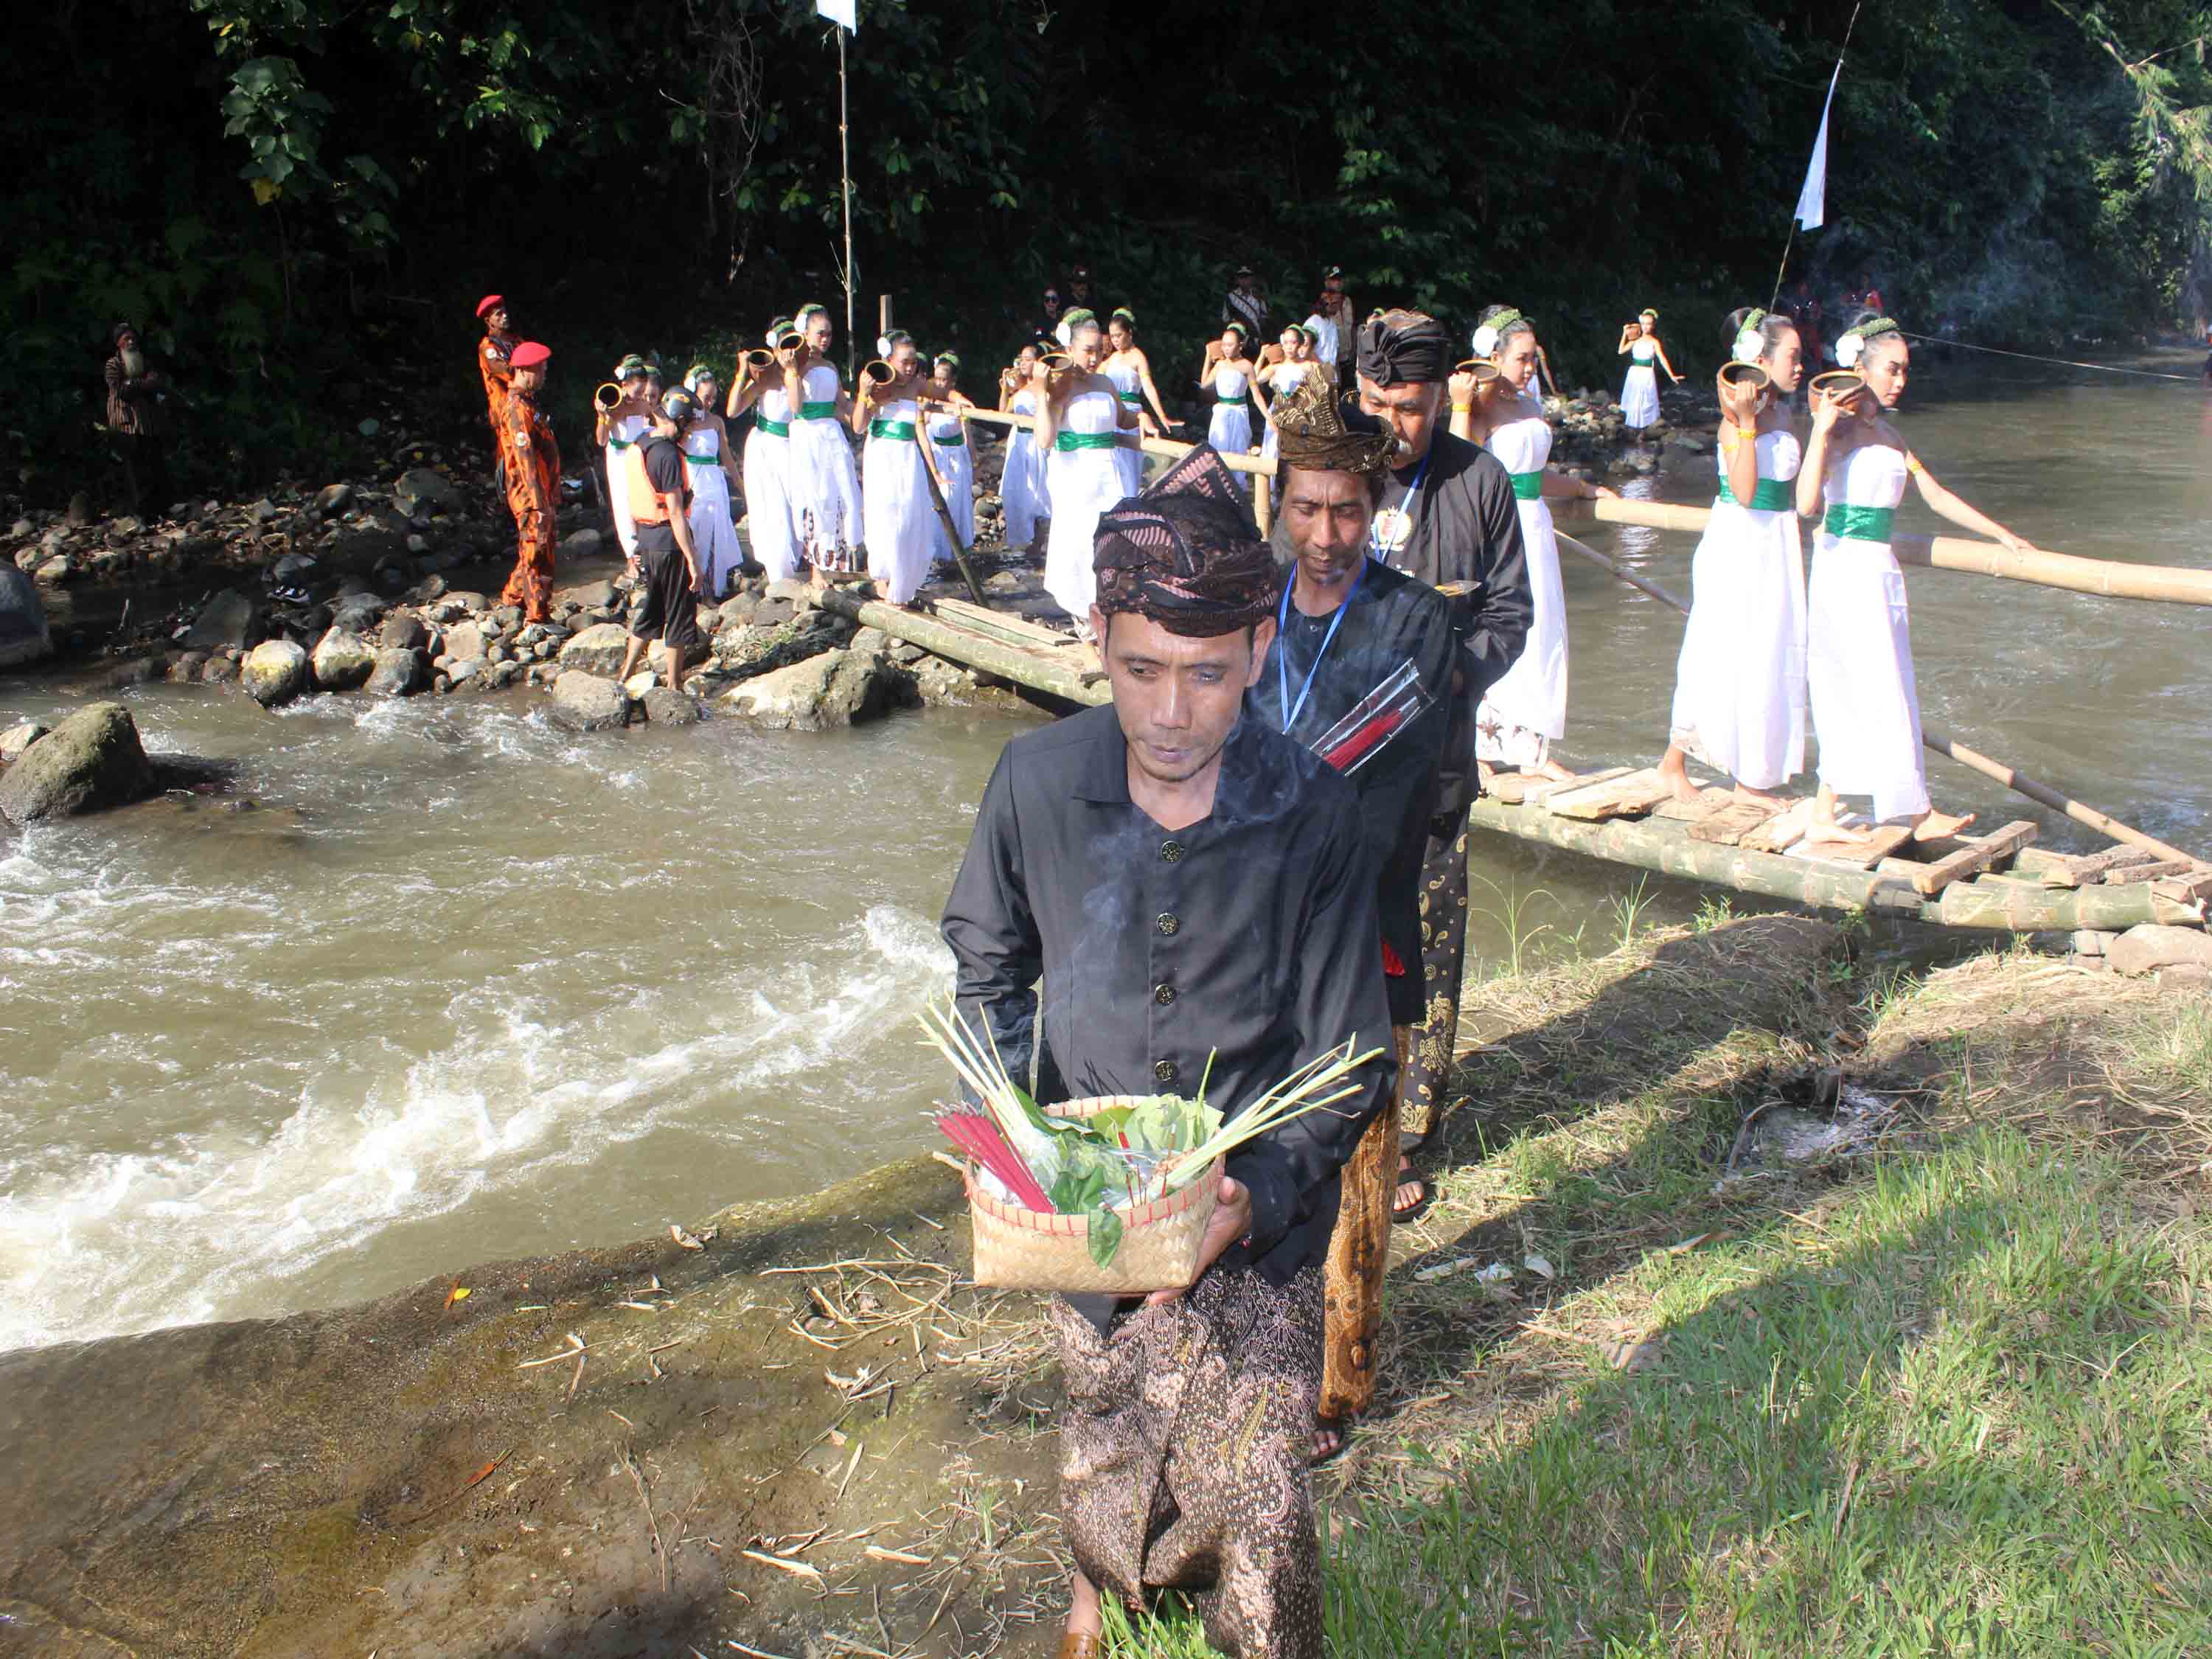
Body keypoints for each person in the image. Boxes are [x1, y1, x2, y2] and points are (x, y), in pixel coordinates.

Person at [941, 442, 1397, 1659]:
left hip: (1253, 1211)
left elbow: (1351, 1053)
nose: (1174, 713)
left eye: (1207, 675)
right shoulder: (1035, 782)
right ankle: (1097, 1601)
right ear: (1097, 636)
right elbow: (986, 961)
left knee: (1263, 1501)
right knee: (1102, 1437)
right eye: (1142, 672)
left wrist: (1260, 1192)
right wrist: (1017, 1133)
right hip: (1092, 1210)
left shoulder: (1317, 815)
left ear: (1259, 646)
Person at [1253, 371, 1455, 1461]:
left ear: (1376, 507)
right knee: (1258, 1167)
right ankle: (1255, 1362)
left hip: (1356, 941)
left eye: (1345, 508)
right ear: (1278, 503)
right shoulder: (1249, 618)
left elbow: (1386, 807)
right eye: (1304, 507)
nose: (1325, 533)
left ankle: (1342, 1383)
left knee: (1357, 1176)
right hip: (1250, 943)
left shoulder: (1416, 627)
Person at [1354, 308, 1534, 1207]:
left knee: (1424, 946)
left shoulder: (1479, 484)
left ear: (1440, 402)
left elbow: (1510, 615)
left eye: (1414, 408)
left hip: (1435, 765)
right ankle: (1330, 1124)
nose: (1395, 425)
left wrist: (1452, 673)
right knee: (1331, 946)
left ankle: (1408, 1134)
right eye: (1379, 403)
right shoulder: (1328, 474)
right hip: (1330, 771)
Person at [1799, 315, 2034, 838]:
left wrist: (1999, 533)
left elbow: (1936, 496)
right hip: (1844, 567)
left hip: (1878, 570)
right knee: (1861, 684)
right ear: (1859, 368)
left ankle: (1833, 813)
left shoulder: (1892, 435)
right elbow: (1807, 503)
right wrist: (1818, 433)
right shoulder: (1838, 432)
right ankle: (1912, 813)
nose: (1900, 380)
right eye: (1892, 369)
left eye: (1905, 371)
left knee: (1889, 683)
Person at [1453, 307, 1614, 782]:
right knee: (1496, 621)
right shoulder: (1479, 407)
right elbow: (1459, 465)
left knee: (1542, 627)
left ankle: (1532, 745)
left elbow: (1536, 477)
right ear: (1494, 356)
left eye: (1531, 358)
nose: (1529, 368)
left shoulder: (1531, 405)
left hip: (1535, 524)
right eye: (1521, 359)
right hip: (1495, 526)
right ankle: (1481, 745)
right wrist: (1463, 405)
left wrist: (1584, 489)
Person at [1657, 307, 1809, 804]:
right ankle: (1692, 765)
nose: (1801, 365)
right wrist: (1745, 420)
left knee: (1769, 650)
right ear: (1759, 358)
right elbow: (1745, 492)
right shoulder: (1732, 419)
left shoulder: (1786, 413)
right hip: (1740, 542)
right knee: (1725, 648)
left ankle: (1747, 772)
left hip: (1777, 541)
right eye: (1794, 356)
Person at [1036, 314, 1137, 634]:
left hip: (1109, 474)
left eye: (1099, 351)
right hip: (1075, 477)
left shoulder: (1106, 383)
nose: (1094, 358)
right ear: (1069, 348)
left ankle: (1111, 613)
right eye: (1087, 351)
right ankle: (1085, 622)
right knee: (1080, 545)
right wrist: (1042, 392)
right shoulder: (1061, 385)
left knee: (1113, 543)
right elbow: (1045, 439)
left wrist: (1146, 420)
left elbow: (1123, 418)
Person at [616, 388, 706, 695]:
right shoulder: (668, 454)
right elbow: (677, 513)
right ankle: (675, 686)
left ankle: (624, 675)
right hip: (669, 542)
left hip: (646, 539)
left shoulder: (641, 444)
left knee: (651, 611)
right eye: (690, 424)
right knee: (679, 614)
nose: (691, 431)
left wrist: (633, 545)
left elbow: (632, 499)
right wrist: (693, 561)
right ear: (679, 420)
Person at [855, 330, 935, 608]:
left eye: (913, 362)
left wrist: (957, 399)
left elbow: (942, 391)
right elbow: (857, 425)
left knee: (909, 516)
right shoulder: (877, 385)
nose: (910, 368)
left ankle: (903, 581)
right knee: (885, 516)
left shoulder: (916, 386)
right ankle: (885, 578)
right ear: (889, 359)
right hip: (882, 455)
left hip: (907, 456)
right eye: (904, 362)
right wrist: (864, 395)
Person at [787, 302, 863, 587]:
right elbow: (795, 405)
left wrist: (867, 405)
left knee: (841, 495)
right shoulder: (797, 366)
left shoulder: (831, 366)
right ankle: (814, 566)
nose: (825, 339)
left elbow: (843, 404)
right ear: (805, 334)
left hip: (831, 434)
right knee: (813, 498)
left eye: (829, 334)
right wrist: (793, 371)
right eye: (820, 333)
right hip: (807, 434)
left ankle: (835, 560)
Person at [728, 318, 803, 584]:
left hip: (793, 446)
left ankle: (798, 561)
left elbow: (798, 407)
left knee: (796, 504)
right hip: (765, 446)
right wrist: (742, 373)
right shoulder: (764, 378)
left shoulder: (800, 374)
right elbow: (733, 410)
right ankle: (778, 572)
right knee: (772, 508)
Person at [495, 340, 561, 625]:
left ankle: (512, 598)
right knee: (538, 553)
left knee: (533, 548)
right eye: (541, 369)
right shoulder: (516, 410)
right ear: (524, 370)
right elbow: (525, 461)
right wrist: (539, 503)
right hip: (530, 495)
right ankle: (537, 617)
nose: (545, 374)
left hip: (542, 490)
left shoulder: (528, 403)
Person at [678, 364, 746, 600]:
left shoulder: (717, 421)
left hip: (714, 480)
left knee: (716, 532)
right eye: (706, 397)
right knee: (694, 532)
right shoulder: (681, 421)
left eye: (713, 398)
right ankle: (690, 588)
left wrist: (739, 483)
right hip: (692, 479)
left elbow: (726, 455)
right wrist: (686, 428)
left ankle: (711, 589)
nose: (709, 403)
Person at [1102, 308, 1179, 499]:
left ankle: (1130, 504)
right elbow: (1093, 377)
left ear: (1129, 333)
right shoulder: (1111, 358)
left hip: (1132, 413)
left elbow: (1149, 387)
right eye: (1112, 336)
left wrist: (1162, 416)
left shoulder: (1138, 357)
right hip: (1113, 414)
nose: (1116, 340)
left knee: (1129, 465)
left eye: (1119, 335)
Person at [103, 322, 175, 518]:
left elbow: (156, 383)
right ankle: (140, 511)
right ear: (119, 343)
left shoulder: (144, 360)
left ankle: (159, 508)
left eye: (132, 337)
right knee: (134, 468)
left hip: (147, 422)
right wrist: (143, 384)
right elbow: (122, 391)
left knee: (154, 462)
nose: (131, 341)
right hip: (125, 423)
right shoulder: (113, 364)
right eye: (126, 338)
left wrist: (139, 384)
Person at [596, 354, 652, 572]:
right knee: (624, 505)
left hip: (639, 456)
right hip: (619, 459)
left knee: (643, 501)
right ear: (624, 384)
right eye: (637, 391)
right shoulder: (613, 404)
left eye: (643, 391)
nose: (639, 396)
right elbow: (601, 440)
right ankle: (631, 557)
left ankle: (645, 550)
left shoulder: (643, 405)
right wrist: (603, 416)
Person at [1200, 323, 1267, 496]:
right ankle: (1216, 488)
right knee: (1218, 448)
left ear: (1240, 345)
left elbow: (1256, 395)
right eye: (1224, 344)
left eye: (1230, 345)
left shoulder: (1246, 366)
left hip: (1239, 412)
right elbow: (1205, 385)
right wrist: (1208, 357)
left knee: (1238, 449)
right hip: (1221, 411)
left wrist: (1269, 418)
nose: (1226, 348)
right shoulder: (1220, 365)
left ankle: (1237, 491)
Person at [925, 352, 977, 564]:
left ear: (952, 381)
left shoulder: (957, 400)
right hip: (937, 456)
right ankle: (939, 551)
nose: (939, 383)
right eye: (936, 378)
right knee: (938, 501)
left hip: (955, 457)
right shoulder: (929, 398)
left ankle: (958, 551)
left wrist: (973, 455)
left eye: (944, 379)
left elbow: (967, 425)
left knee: (955, 501)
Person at [998, 342, 1051, 554]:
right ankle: (1021, 539)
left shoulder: (1045, 387)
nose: (1023, 363)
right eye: (1021, 358)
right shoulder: (1019, 389)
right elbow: (1003, 413)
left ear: (1038, 362)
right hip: (1018, 441)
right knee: (1018, 490)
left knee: (1039, 491)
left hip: (1036, 442)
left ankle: (1039, 541)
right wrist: (1004, 389)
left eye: (1028, 359)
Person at [1258, 325, 1326, 471]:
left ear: (1300, 345)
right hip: (1278, 411)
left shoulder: (1308, 366)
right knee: (1274, 448)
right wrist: (1262, 356)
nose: (1289, 347)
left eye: (1294, 343)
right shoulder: (1276, 367)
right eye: (1286, 343)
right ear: (1282, 345)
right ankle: (1271, 487)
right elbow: (1255, 378)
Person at [475, 295, 517, 484]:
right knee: (509, 453)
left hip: (523, 403)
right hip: (504, 407)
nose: (505, 317)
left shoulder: (516, 341)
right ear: (488, 321)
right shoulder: (488, 347)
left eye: (505, 312)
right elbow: (507, 374)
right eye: (498, 315)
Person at [1615, 310, 1682, 430]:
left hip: (1647, 373)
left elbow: (1662, 358)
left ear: (1653, 325)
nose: (1646, 327)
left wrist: (1672, 375)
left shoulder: (1654, 342)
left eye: (1649, 324)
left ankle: (1644, 426)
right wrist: (1625, 333)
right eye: (1644, 324)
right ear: (1640, 325)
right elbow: (1621, 351)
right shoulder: (1635, 340)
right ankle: (1632, 427)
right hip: (1635, 373)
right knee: (1635, 399)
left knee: (1645, 400)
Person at [1302, 267, 1357, 384]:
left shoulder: (1347, 301)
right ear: (1326, 282)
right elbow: (1308, 345)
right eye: (1334, 280)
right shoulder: (1320, 308)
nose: (1338, 283)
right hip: (1323, 364)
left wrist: (1353, 349)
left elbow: (1351, 326)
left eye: (1339, 280)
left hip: (1343, 355)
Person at [1222, 264, 1269, 341]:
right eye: (1241, 278)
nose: (1244, 280)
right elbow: (1226, 319)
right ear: (1237, 280)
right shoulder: (1231, 297)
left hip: (1256, 337)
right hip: (1238, 337)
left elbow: (1264, 315)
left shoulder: (1258, 295)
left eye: (1247, 277)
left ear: (1252, 279)